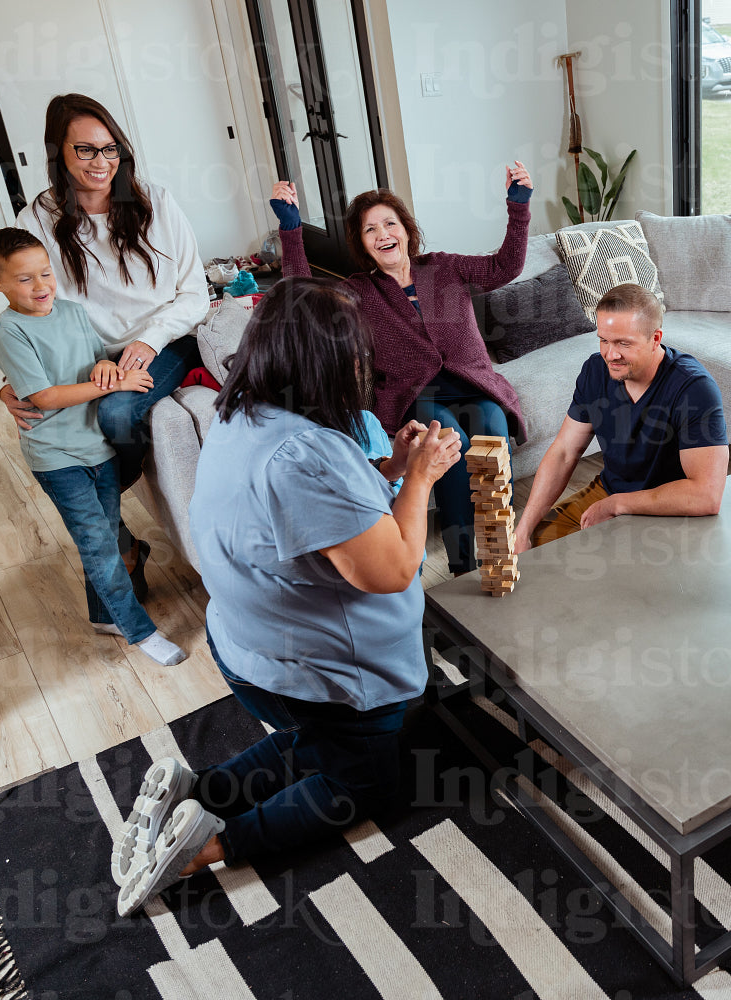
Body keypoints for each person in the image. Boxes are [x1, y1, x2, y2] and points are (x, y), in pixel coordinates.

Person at [112, 276, 461, 915]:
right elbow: (390, 569)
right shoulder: (305, 454)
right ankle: (209, 847)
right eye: (358, 354)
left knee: (322, 738)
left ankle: (205, 789)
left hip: (248, 646)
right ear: (328, 363)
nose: (368, 366)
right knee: (364, 783)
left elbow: (317, 519)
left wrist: (384, 472)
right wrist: (417, 480)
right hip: (313, 670)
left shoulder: (240, 413)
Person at [268, 163, 532, 575]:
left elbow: (505, 267)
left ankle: (500, 553)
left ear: (407, 230)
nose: (383, 234)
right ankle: (463, 566)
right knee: (449, 446)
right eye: (370, 230)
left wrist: (518, 206)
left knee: (493, 430)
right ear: (362, 244)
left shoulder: (444, 267)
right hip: (418, 394)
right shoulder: (357, 291)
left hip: (474, 382)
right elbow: (300, 299)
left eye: (389, 224)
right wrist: (291, 230)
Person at [2, 93, 208, 595]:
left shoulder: (155, 202)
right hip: (85, 354)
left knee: (116, 415)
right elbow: (27, 298)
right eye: (86, 151)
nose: (102, 163)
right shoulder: (38, 220)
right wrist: (14, 382)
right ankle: (123, 546)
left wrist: (150, 341)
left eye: (110, 148)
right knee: (53, 440)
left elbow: (194, 294)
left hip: (165, 341)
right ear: (60, 155)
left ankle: (112, 543)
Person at [0, 227, 186, 668]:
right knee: (97, 545)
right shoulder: (10, 334)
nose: (41, 287)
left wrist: (105, 365)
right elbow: (44, 398)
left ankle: (104, 616)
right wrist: (111, 383)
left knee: (109, 534)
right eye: (24, 279)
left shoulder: (72, 312)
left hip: (98, 449)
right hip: (58, 459)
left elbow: (101, 359)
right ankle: (141, 632)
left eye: (45, 274)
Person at [514, 283, 729, 551]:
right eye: (604, 340)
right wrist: (523, 529)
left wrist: (617, 504)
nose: (610, 354)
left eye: (623, 343)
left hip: (668, 509)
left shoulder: (694, 389)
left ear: (655, 338)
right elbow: (564, 453)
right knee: (529, 555)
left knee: (600, 576)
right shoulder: (595, 370)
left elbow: (705, 495)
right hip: (609, 490)